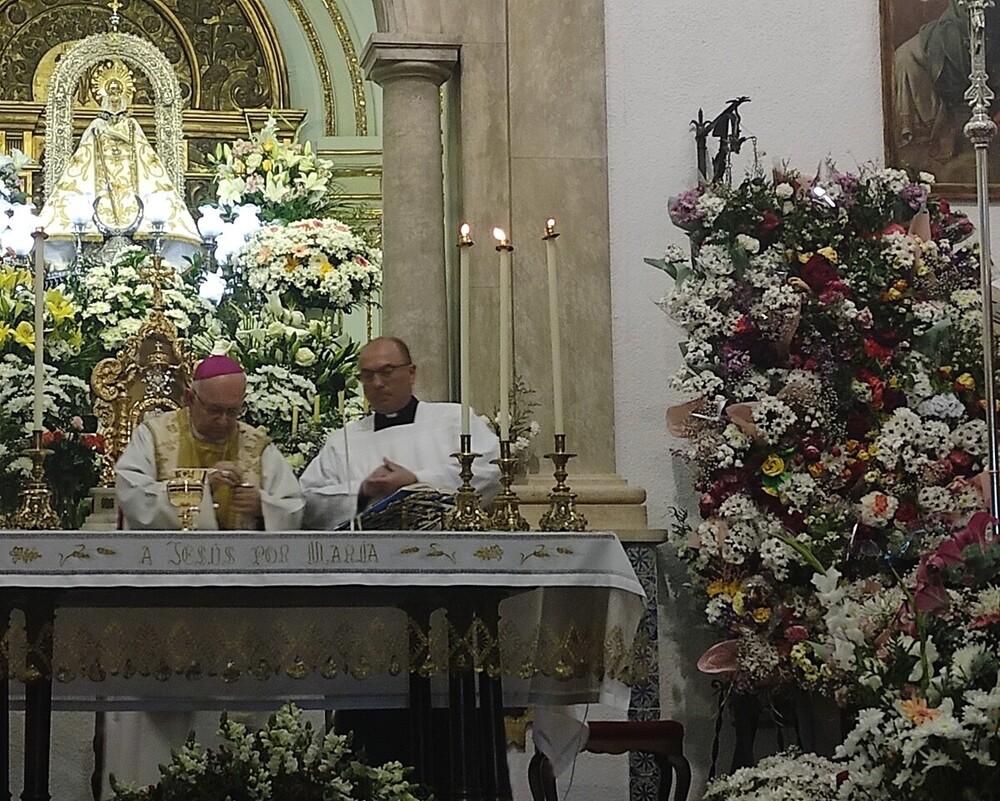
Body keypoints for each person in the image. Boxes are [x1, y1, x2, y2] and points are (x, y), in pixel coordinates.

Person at [300, 336, 501, 529]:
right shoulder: (342, 440)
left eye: (386, 372)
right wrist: (364, 490)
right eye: (367, 376)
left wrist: (416, 481)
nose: (377, 383)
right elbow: (307, 501)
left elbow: (490, 472)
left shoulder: (455, 419)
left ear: (411, 373)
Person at [115, 354, 304, 531]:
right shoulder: (154, 435)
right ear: (189, 398)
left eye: (232, 411)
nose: (223, 420)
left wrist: (263, 507)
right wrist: (201, 487)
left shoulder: (257, 446)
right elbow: (134, 496)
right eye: (214, 410)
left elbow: (294, 506)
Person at [37, 66, 201, 264]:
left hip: (131, 178)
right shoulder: (96, 127)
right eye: (111, 92)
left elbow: (145, 154)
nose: (114, 98)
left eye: (118, 92)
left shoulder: (132, 126)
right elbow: (84, 153)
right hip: (99, 175)